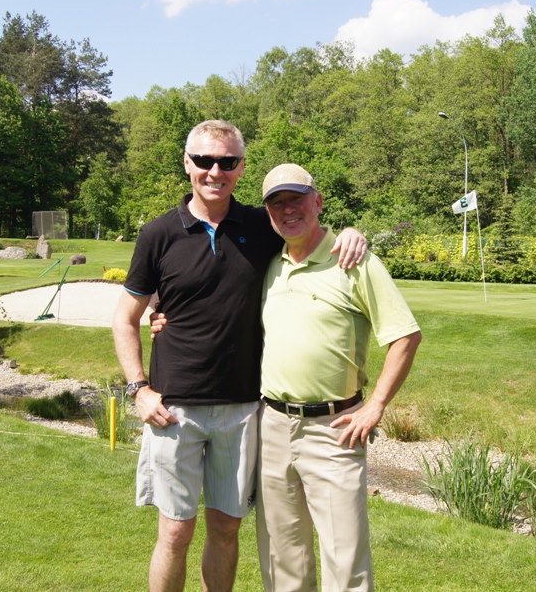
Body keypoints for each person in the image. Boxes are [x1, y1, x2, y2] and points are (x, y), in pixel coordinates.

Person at [112, 120, 367, 592]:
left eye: (227, 162)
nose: (215, 171)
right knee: (174, 533)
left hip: (243, 409)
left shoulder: (260, 227)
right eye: (204, 160)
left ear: (241, 167)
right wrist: (138, 388)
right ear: (187, 164)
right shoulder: (158, 234)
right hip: (174, 408)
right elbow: (125, 319)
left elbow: (307, 229)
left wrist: (351, 232)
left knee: (226, 529)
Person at [256, 163, 422, 591]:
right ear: (267, 213)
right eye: (276, 203)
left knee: (345, 563)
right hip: (271, 428)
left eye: (296, 199)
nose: (287, 210)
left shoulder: (354, 259)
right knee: (282, 560)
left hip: (334, 430)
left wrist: (375, 407)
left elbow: (405, 336)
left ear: (318, 202)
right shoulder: (268, 263)